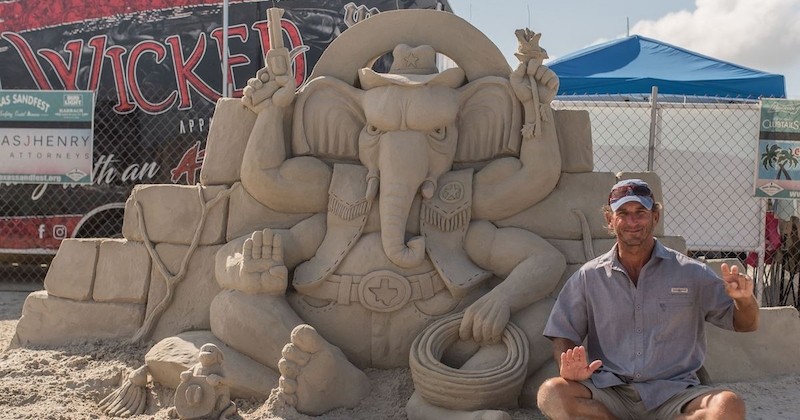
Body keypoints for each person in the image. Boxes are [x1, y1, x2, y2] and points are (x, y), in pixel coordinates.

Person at [536, 178, 760, 419]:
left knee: (728, 406)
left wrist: (745, 301)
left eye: (640, 212)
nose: (632, 221)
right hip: (610, 394)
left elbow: (745, 324)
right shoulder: (589, 277)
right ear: (609, 220)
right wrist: (567, 364)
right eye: (622, 213)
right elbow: (563, 333)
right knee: (551, 392)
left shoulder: (691, 272)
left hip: (674, 394)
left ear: (655, 216)